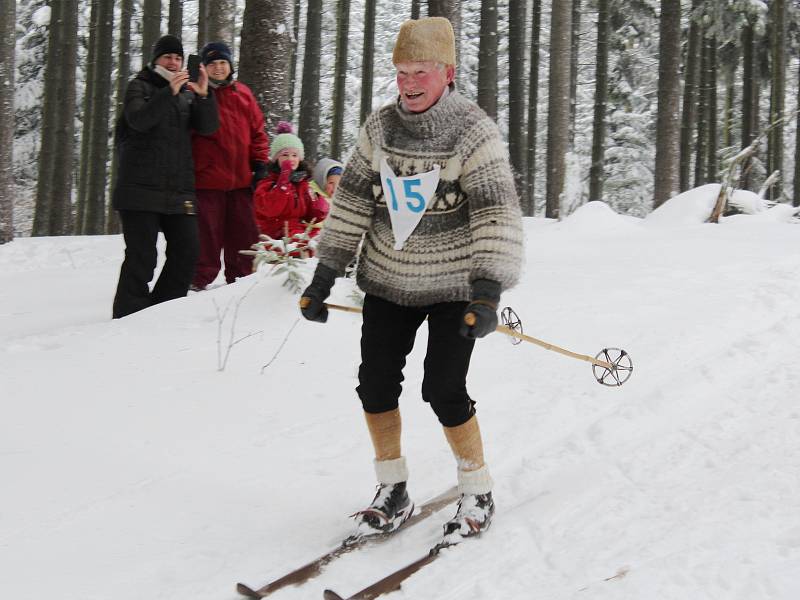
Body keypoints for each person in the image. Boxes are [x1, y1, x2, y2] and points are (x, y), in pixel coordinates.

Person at [299, 17, 524, 545]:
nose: (409, 82)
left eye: (420, 71)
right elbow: (352, 203)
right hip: (387, 282)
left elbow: (496, 214)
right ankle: (393, 489)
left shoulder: (473, 131)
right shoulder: (379, 130)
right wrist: (324, 275)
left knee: (443, 387)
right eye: (401, 72)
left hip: (453, 287)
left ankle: (477, 488)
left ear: (446, 72)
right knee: (375, 385)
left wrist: (488, 291)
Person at [112, 35, 219, 318]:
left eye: (177, 58)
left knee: (188, 251)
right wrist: (166, 93)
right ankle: (128, 315)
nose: (173, 63)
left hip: (178, 190)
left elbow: (208, 128)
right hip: (139, 189)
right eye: (167, 57)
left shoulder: (187, 92)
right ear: (155, 60)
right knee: (142, 258)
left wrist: (205, 95)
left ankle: (161, 311)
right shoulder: (139, 86)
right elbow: (139, 120)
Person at [190, 41, 269, 291]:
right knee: (207, 236)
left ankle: (242, 281)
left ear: (230, 66)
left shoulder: (243, 93)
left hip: (242, 181)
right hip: (207, 181)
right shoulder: (194, 94)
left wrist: (260, 163)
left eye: (223, 63)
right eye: (212, 64)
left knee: (244, 235)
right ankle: (198, 281)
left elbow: (258, 132)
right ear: (204, 67)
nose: (218, 68)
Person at [253, 122, 330, 243]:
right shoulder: (267, 183)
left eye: (294, 155)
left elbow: (314, 217)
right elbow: (271, 209)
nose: (290, 159)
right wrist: (283, 181)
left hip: (297, 233)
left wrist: (317, 200)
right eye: (285, 155)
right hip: (275, 237)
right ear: (276, 158)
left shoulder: (301, 183)